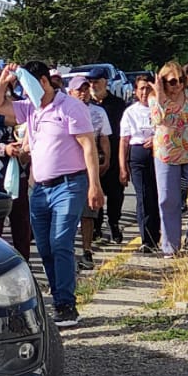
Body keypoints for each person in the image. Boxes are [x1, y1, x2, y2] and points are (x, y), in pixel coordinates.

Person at [0, 61, 102, 329]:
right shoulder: (30, 110)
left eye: (30, 84)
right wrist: (5, 79)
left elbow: (88, 146)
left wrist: (94, 185)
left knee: (61, 242)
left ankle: (66, 305)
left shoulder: (71, 107)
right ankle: (58, 298)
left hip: (69, 184)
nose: (27, 91)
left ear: (43, 81)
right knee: (47, 247)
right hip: (39, 188)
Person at [149, 60, 188, 257]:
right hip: (167, 153)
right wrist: (162, 98)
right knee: (168, 199)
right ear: (162, 81)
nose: (178, 85)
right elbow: (158, 120)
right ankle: (171, 246)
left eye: (181, 80)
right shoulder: (154, 97)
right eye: (172, 81)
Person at [66, 76, 111, 271]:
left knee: (88, 212)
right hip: (68, 167)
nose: (83, 93)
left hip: (88, 167)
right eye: (79, 90)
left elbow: (103, 138)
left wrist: (106, 159)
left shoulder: (97, 112)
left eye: (85, 89)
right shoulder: (62, 111)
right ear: (71, 93)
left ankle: (86, 250)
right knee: (67, 213)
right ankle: (67, 253)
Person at [119, 76, 162, 253]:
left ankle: (160, 234)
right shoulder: (130, 112)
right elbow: (124, 140)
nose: (144, 93)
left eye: (148, 89)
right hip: (138, 154)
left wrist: (156, 139)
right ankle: (147, 239)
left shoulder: (159, 107)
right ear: (136, 91)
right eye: (141, 89)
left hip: (159, 153)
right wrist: (122, 167)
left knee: (159, 195)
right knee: (143, 196)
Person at [87, 68, 128, 244]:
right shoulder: (84, 106)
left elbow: (123, 134)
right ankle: (96, 227)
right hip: (91, 157)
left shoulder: (117, 105)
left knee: (115, 194)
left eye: (96, 82)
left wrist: (123, 163)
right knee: (95, 193)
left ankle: (114, 223)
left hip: (114, 155)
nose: (93, 85)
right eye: (90, 82)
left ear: (105, 82)